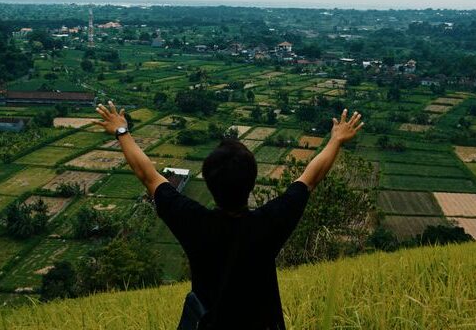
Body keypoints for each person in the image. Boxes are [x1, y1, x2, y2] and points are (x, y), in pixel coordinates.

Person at [93, 101, 364, 329]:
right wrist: (336, 139)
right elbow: (310, 178)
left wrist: (121, 130)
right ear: (252, 180)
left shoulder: (193, 222)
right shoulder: (269, 223)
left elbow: (148, 176)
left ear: (209, 183)